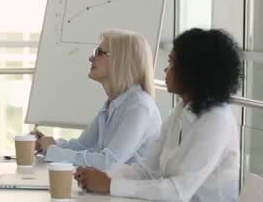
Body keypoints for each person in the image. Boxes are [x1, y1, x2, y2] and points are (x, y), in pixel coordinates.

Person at [75, 28, 241, 201]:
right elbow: (146, 170)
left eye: (171, 63)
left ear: (192, 70)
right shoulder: (181, 110)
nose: (165, 69)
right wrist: (102, 175)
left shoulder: (217, 121)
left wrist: (110, 185)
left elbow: (177, 192)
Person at [32, 30, 162, 170]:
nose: (90, 58)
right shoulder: (114, 104)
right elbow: (81, 146)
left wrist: (53, 150)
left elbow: (109, 162)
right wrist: (49, 144)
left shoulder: (139, 107)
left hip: (130, 190)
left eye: (99, 52)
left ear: (120, 60)